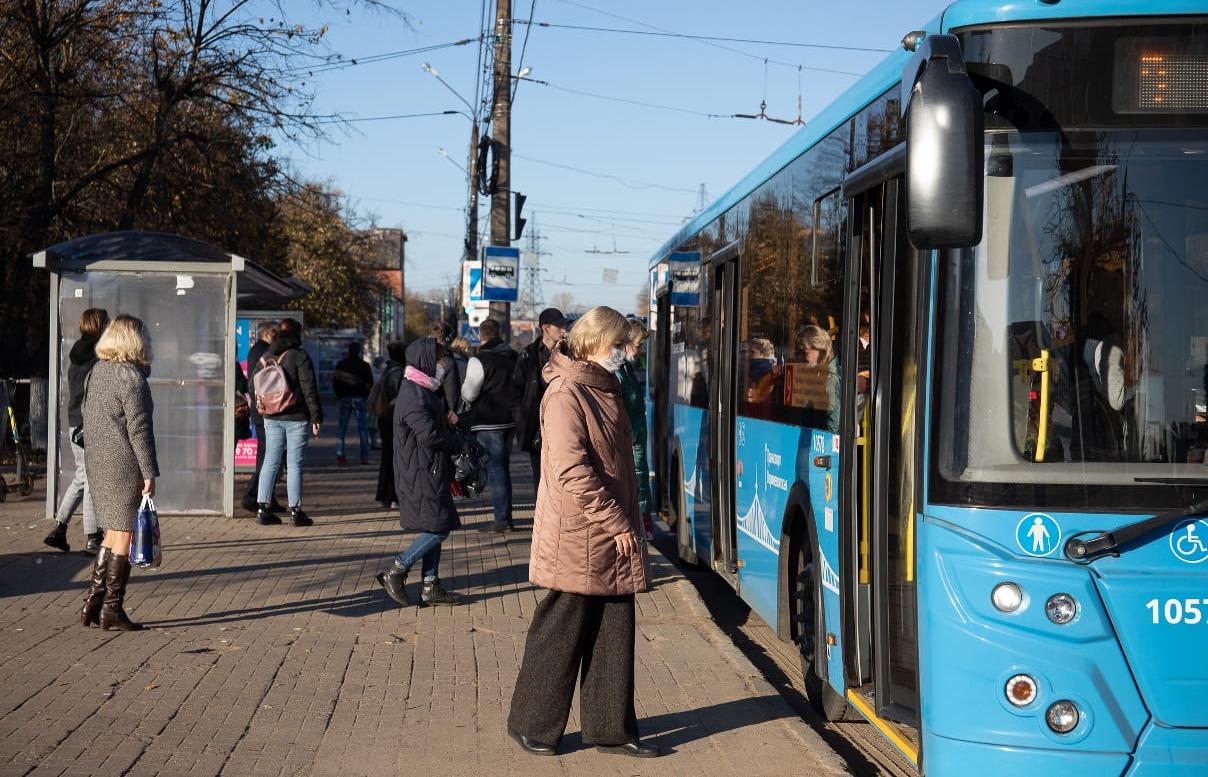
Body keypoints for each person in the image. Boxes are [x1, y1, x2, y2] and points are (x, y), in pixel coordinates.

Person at [507, 306, 658, 759]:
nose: (621, 354)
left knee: (613, 627)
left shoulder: (602, 385)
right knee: (562, 624)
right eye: (615, 345)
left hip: (609, 529)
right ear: (592, 343)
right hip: (582, 530)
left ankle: (611, 729)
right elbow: (571, 470)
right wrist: (615, 520)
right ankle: (531, 723)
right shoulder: (566, 392)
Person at [78, 315, 158, 631]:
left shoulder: (97, 372)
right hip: (123, 463)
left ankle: (92, 604)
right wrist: (149, 472)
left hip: (98, 460)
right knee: (124, 533)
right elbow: (139, 430)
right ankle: (112, 608)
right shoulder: (131, 378)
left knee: (112, 532)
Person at [375, 337, 465, 607]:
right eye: (438, 359)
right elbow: (429, 436)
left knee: (435, 524)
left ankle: (430, 585)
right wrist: (457, 442)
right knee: (439, 528)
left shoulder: (422, 389)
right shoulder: (413, 394)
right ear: (425, 361)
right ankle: (397, 570)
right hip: (420, 470)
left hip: (428, 468)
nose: (441, 364)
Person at [45, 308, 109, 555]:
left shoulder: (77, 354)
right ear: (99, 326)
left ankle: (59, 529)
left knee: (83, 477)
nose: (110, 324)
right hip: (89, 423)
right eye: (107, 321)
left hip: (75, 422)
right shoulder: (97, 357)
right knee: (91, 480)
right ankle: (93, 537)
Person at [253, 318, 322, 527]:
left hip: (271, 416)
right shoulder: (299, 356)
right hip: (297, 417)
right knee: (294, 464)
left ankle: (262, 508)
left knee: (270, 461)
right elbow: (309, 388)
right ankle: (296, 511)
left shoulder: (266, 356)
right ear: (296, 335)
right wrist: (316, 417)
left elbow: (253, 385)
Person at [461, 318, 519, 533]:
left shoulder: (479, 359)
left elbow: (469, 392)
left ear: (481, 335)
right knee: (503, 468)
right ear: (499, 333)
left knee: (496, 470)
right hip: (510, 420)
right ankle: (506, 516)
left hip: (487, 421)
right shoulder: (513, 356)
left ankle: (502, 520)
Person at [512, 307, 569, 488]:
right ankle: (541, 516)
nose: (564, 330)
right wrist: (522, 421)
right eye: (559, 326)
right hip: (536, 427)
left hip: (563, 424)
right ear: (545, 328)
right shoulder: (528, 354)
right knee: (541, 477)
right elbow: (516, 392)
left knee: (562, 477)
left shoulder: (568, 354)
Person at [615, 319, 655, 541]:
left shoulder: (626, 367)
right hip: (629, 441)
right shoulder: (617, 371)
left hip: (635, 439)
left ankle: (641, 526)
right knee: (633, 488)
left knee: (638, 484)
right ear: (626, 343)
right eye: (639, 345)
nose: (642, 351)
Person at [241, 321, 282, 514]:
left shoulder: (256, 350)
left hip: (260, 409)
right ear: (268, 334)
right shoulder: (264, 352)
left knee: (266, 454)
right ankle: (255, 496)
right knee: (268, 455)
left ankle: (264, 496)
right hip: (266, 409)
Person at [374, 341, 407, 509]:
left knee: (388, 457)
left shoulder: (388, 370)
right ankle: (393, 495)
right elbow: (400, 396)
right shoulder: (398, 372)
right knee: (395, 456)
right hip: (392, 416)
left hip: (385, 416)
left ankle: (387, 495)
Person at [332, 341, 374, 465]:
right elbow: (370, 383)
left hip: (345, 398)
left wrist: (339, 395)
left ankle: (340, 455)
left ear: (349, 351)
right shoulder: (365, 365)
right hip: (361, 398)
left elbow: (335, 382)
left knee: (342, 428)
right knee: (363, 429)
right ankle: (364, 457)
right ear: (359, 351)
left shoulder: (341, 364)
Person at [797, 325, 840, 433]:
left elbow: (833, 426)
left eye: (805, 352)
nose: (801, 357)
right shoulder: (819, 374)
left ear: (820, 349)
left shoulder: (830, 379)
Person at [429, 321, 462, 413]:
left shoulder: (419, 356)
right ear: (448, 339)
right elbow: (452, 396)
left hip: (419, 410)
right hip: (440, 413)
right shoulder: (448, 362)